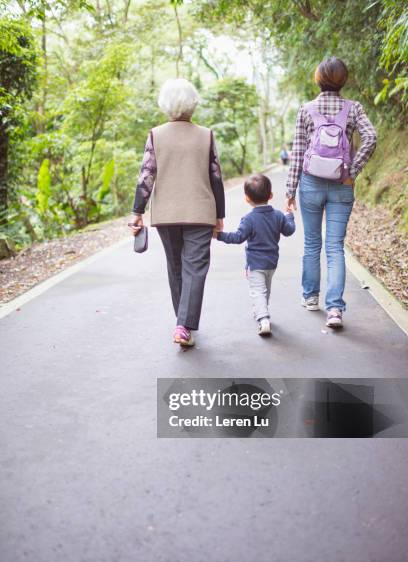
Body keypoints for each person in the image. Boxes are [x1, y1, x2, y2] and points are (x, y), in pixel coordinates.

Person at [129, 78, 225, 347]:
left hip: (166, 214)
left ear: (165, 105)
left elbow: (147, 174)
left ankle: (182, 324)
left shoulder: (155, 134)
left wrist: (137, 211)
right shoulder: (206, 134)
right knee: (195, 267)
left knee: (175, 266)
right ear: (192, 103)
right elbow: (216, 176)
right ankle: (183, 325)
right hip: (200, 211)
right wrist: (220, 214)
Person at [286, 56, 377, 328]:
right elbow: (371, 137)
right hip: (342, 185)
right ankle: (335, 309)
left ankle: (311, 297)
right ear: (343, 80)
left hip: (310, 184)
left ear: (318, 78)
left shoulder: (306, 109)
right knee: (335, 247)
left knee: (312, 243)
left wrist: (290, 190)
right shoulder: (354, 108)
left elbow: (298, 153)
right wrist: (352, 170)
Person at [215, 173, 295, 336]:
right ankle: (261, 312)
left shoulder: (249, 219)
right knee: (265, 289)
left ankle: (263, 318)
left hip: (255, 264)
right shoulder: (279, 216)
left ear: (247, 199)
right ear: (271, 195)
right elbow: (289, 230)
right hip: (272, 263)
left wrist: (218, 235)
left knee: (258, 291)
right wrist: (290, 215)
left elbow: (237, 238)